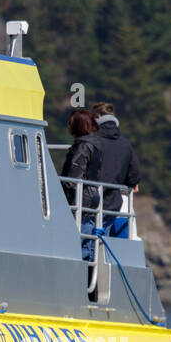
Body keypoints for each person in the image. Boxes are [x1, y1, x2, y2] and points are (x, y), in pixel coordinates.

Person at [90, 101, 141, 238]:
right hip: (117, 203)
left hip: (92, 203)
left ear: (97, 118)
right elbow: (134, 176)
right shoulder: (125, 144)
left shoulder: (92, 141)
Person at [61, 108, 103, 261]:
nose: (68, 126)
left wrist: (61, 190)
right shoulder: (96, 144)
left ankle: (82, 271)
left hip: (82, 196)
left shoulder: (83, 146)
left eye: (71, 123)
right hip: (93, 194)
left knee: (80, 238)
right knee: (88, 237)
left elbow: (74, 175)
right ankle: (88, 271)